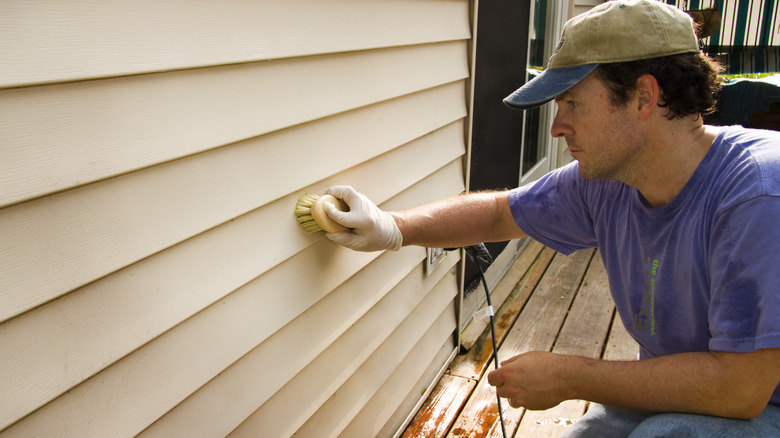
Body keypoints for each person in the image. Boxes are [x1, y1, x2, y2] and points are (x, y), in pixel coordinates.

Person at [320, 0, 780, 435]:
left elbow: (742, 388)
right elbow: (500, 214)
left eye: (573, 103)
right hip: (698, 390)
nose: (557, 126)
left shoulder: (757, 193)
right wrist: (392, 227)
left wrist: (573, 376)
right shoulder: (607, 181)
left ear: (644, 97)